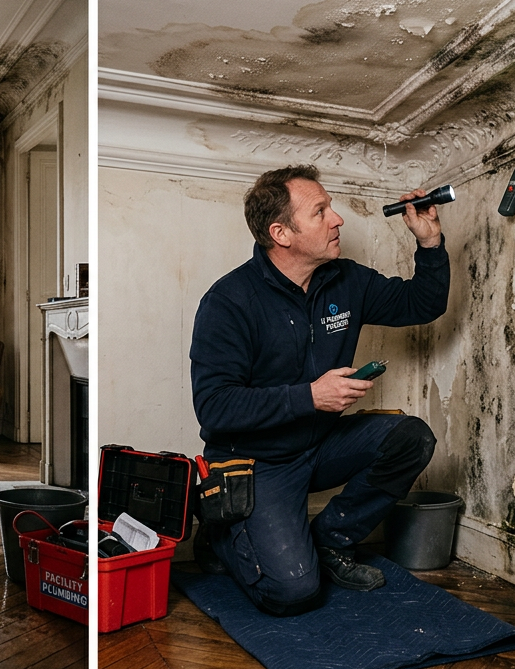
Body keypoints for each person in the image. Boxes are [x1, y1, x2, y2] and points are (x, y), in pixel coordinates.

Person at [189, 164, 450, 617]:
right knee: (292, 592)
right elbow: (213, 408)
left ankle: (329, 541)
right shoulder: (229, 301)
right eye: (321, 211)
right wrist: (309, 396)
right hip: (258, 462)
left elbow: (421, 304)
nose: (338, 219)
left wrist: (429, 242)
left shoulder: (346, 280)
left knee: (412, 437)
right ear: (282, 233)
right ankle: (220, 530)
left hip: (320, 444)